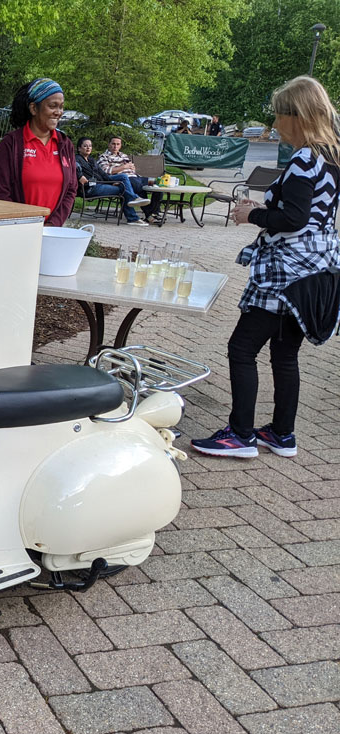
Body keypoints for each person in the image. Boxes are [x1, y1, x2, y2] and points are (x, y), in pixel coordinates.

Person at [191, 76, 340, 459]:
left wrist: (252, 214)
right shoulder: (330, 156)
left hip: (286, 273)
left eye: (278, 116)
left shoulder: (304, 158)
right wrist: (265, 208)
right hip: (317, 269)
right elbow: (309, 215)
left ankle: (240, 436)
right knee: (285, 354)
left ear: (298, 115)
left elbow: (293, 219)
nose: (274, 124)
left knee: (241, 348)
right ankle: (281, 434)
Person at [0, 78, 77, 227]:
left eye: (61, 107)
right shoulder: (11, 144)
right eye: (52, 106)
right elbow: (1, 192)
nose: (58, 112)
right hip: (18, 230)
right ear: (34, 109)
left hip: (52, 231)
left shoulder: (65, 144)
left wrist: (53, 225)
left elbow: (71, 189)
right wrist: (24, 226)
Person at [75, 137, 150, 225]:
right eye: (85, 146)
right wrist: (81, 176)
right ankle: (133, 216)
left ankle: (134, 201)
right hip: (90, 188)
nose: (88, 148)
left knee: (123, 176)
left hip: (100, 183)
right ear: (79, 148)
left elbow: (103, 174)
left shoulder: (91, 160)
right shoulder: (76, 159)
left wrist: (111, 182)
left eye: (90, 146)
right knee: (124, 189)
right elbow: (76, 170)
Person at [96, 135, 162, 223]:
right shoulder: (104, 157)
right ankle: (149, 215)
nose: (115, 146)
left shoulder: (124, 155)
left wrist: (132, 168)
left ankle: (153, 213)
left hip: (136, 177)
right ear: (109, 144)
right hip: (124, 179)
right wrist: (123, 167)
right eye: (113, 144)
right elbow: (106, 171)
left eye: (118, 144)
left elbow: (131, 168)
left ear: (120, 145)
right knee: (139, 187)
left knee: (158, 186)